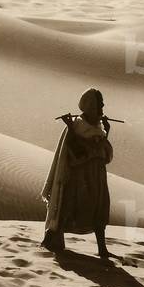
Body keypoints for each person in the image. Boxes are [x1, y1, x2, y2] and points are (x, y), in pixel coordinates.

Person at [40, 88, 114, 259]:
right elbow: (76, 154)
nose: (103, 107)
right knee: (70, 209)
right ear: (91, 105)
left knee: (99, 210)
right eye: (99, 103)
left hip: (97, 179)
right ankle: (52, 240)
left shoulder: (98, 128)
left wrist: (106, 132)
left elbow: (104, 155)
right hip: (80, 179)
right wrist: (71, 130)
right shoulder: (77, 127)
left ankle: (102, 249)